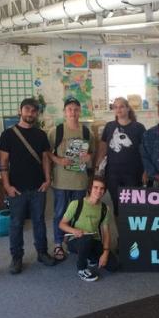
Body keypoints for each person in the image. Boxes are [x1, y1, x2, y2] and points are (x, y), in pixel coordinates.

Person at [0, 97, 56, 274]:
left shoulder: (41, 134)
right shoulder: (8, 134)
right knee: (16, 223)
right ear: (20, 111)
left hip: (38, 187)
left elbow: (45, 159)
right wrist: (7, 185)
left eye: (34, 110)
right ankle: (16, 258)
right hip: (17, 188)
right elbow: (3, 162)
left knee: (39, 221)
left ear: (37, 113)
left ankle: (42, 252)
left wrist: (47, 180)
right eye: (27, 109)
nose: (30, 113)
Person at [48, 97, 94, 261]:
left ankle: (75, 241)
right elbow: (47, 153)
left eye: (76, 109)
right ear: (64, 112)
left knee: (78, 213)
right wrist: (59, 160)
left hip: (80, 181)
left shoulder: (87, 132)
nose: (73, 112)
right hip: (61, 181)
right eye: (69, 109)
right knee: (60, 213)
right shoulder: (56, 131)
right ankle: (58, 244)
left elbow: (91, 154)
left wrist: (88, 157)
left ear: (79, 111)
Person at [95, 97, 146, 215]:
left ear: (128, 108)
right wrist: (98, 166)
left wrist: (146, 171)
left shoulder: (139, 127)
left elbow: (145, 151)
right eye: (115, 107)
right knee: (117, 206)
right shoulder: (109, 126)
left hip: (133, 174)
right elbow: (103, 148)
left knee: (133, 206)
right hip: (113, 174)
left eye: (122, 106)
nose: (118, 109)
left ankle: (131, 233)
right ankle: (121, 233)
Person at [59, 176, 115, 282]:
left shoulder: (104, 208)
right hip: (75, 241)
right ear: (90, 188)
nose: (99, 191)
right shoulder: (76, 204)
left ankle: (90, 255)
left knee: (113, 266)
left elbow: (106, 233)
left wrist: (106, 253)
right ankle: (82, 268)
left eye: (102, 188)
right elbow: (62, 224)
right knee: (86, 239)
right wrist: (74, 231)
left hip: (94, 240)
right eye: (96, 187)